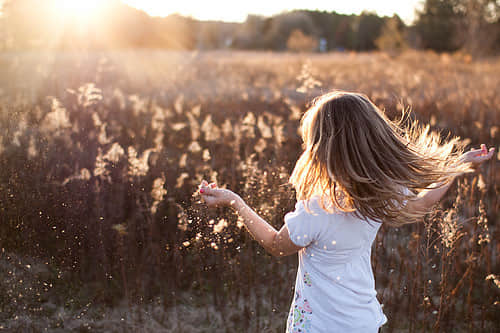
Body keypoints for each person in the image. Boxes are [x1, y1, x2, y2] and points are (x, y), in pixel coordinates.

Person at [198, 91, 495, 332]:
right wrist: (456, 169)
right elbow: (420, 203)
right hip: (362, 322)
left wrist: (234, 201)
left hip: (316, 327)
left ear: (322, 149)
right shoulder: (380, 195)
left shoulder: (317, 209)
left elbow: (277, 245)